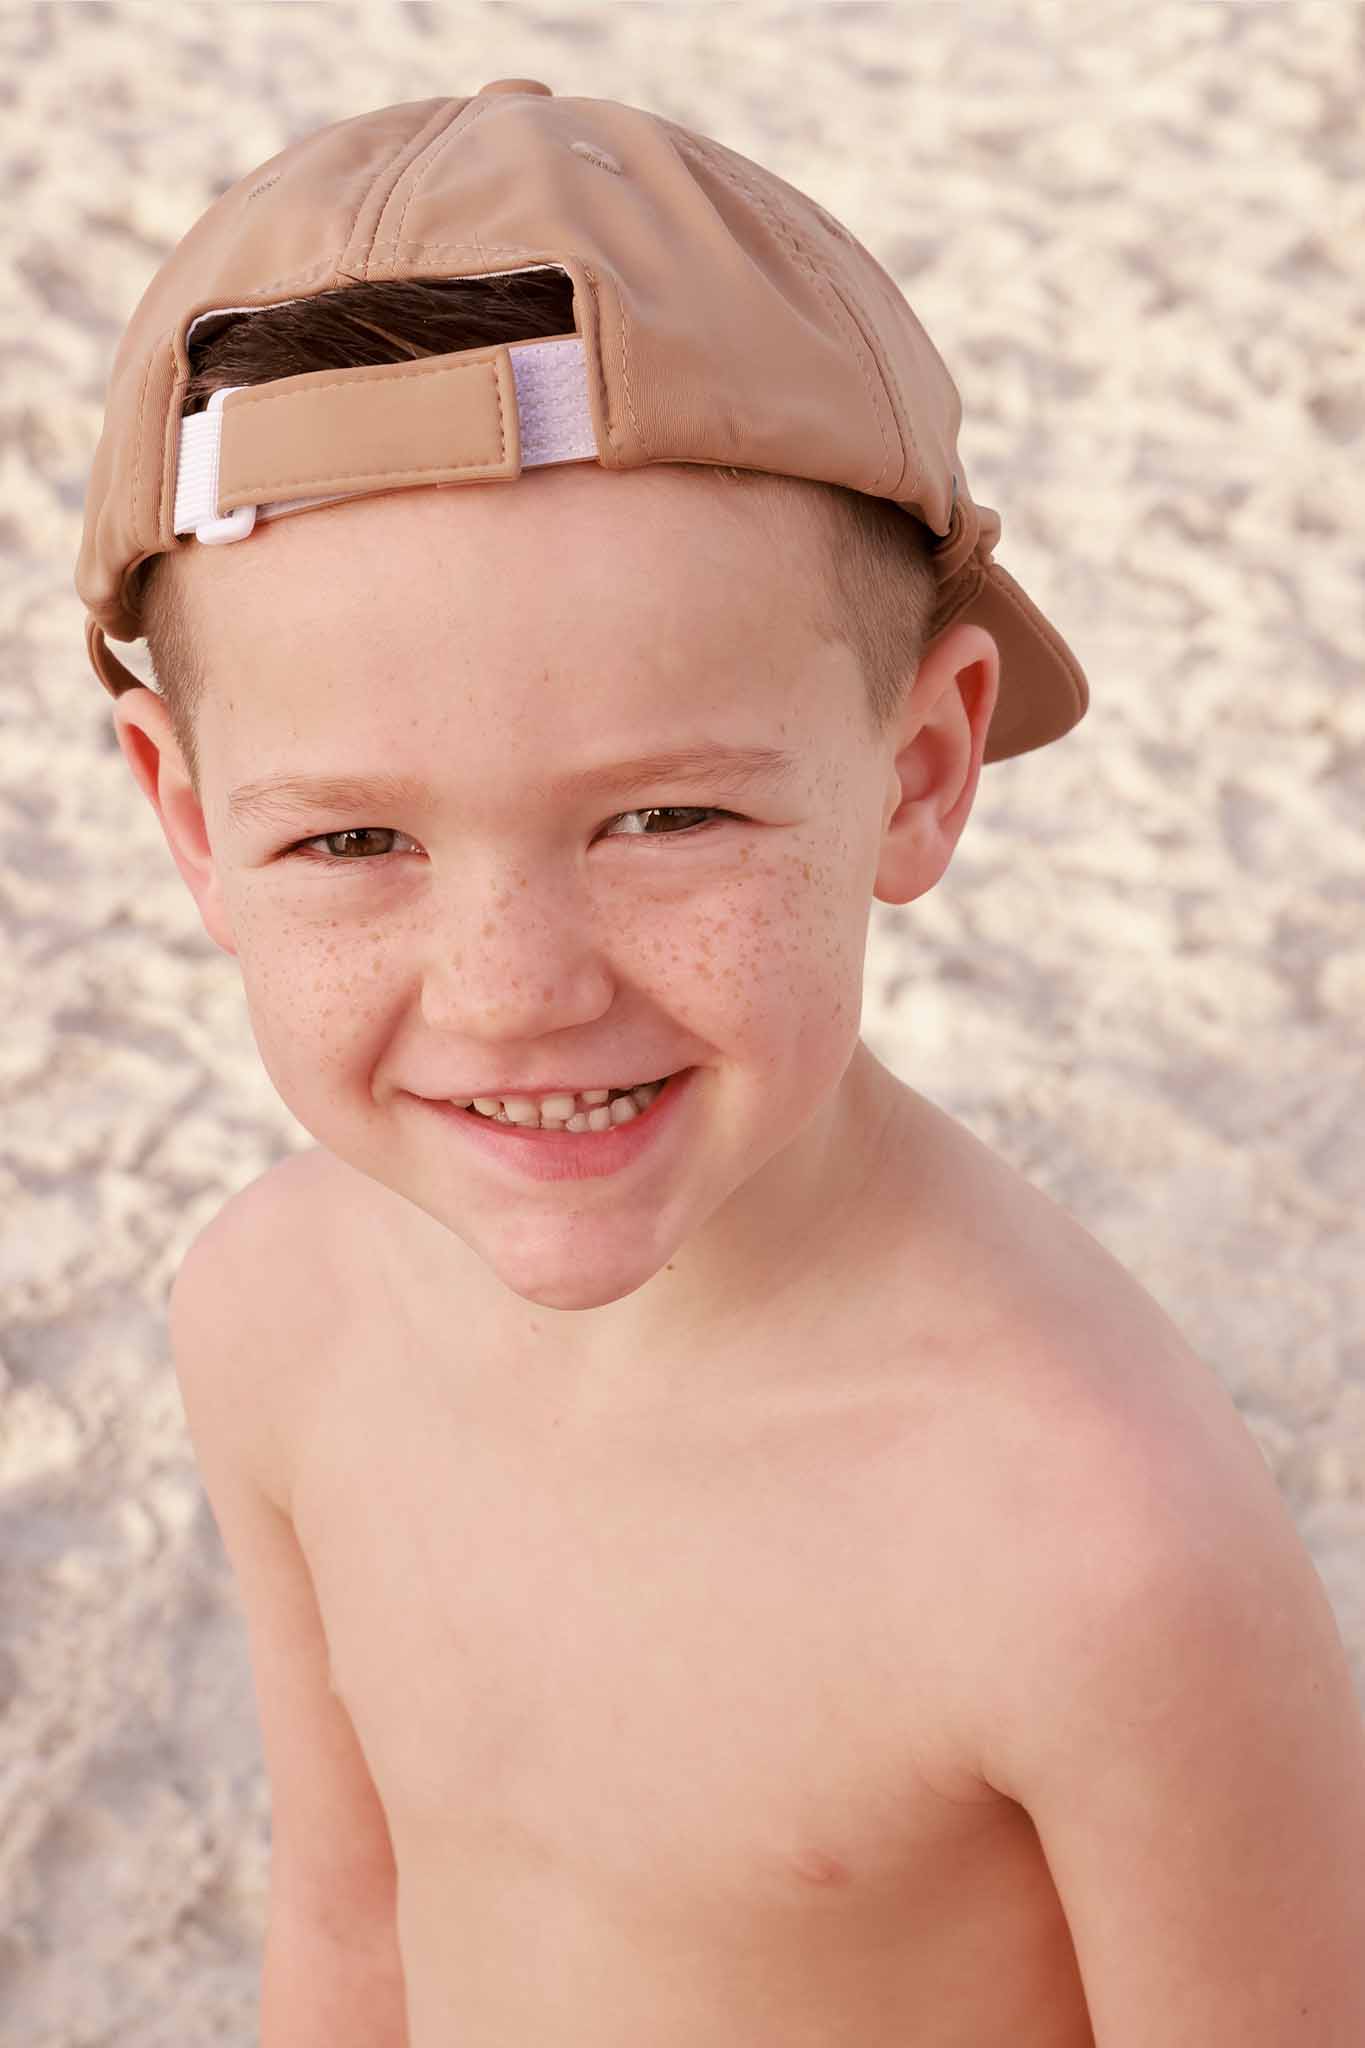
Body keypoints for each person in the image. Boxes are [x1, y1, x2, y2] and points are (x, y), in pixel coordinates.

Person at [75, 79, 1365, 2048]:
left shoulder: (1093, 1547)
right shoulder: (270, 1314)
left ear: (915, 773)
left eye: (663, 817)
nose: (512, 990)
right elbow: (351, 1930)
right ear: (187, 820)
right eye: (354, 839)